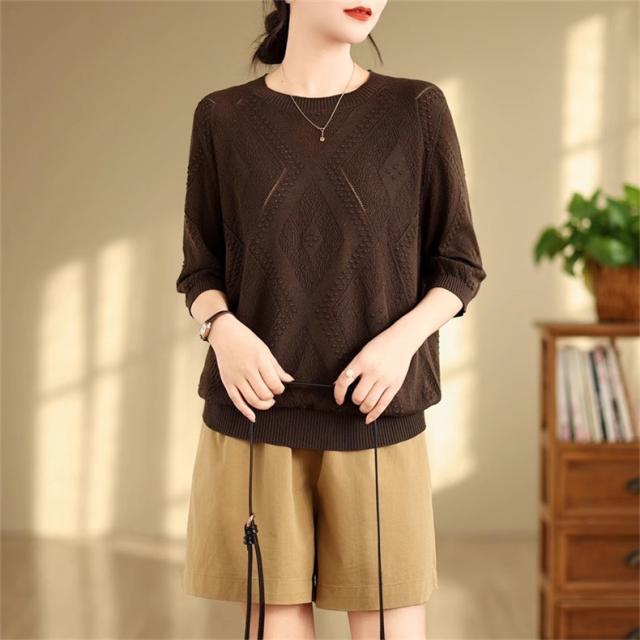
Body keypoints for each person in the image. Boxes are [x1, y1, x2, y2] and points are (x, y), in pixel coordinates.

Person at [175, 0, 487, 638]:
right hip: (255, 419)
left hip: (377, 417)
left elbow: (458, 265)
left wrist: (400, 344)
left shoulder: (416, 109)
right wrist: (222, 330)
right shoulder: (222, 117)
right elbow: (200, 269)